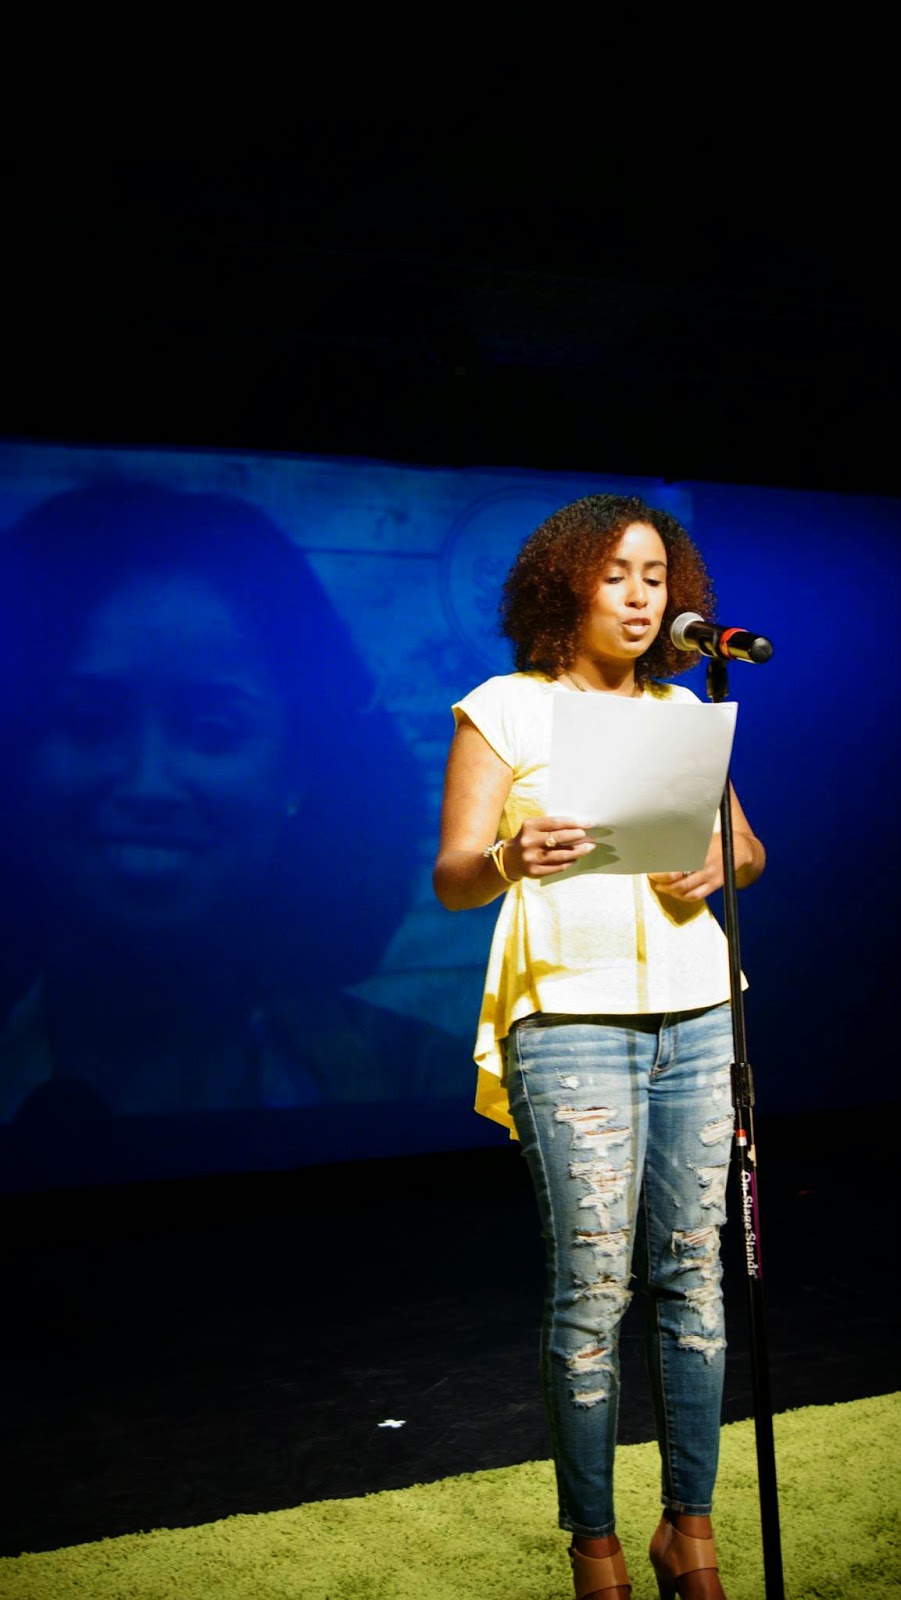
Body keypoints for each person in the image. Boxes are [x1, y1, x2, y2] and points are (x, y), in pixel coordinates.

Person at [433, 494, 765, 1600]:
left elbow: (748, 851)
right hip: (569, 1019)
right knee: (593, 1288)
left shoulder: (682, 709)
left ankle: (690, 1531)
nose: (639, 596)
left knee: (695, 1281)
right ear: (564, 585)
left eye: (655, 577)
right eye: (616, 574)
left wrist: (721, 863)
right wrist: (510, 857)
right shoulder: (505, 707)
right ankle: (596, 1547)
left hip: (697, 1007)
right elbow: (451, 878)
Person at [0, 479, 458, 1184]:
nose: (148, 784)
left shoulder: (433, 1086)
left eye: (212, 731)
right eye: (88, 723)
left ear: (302, 767)